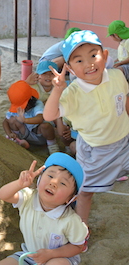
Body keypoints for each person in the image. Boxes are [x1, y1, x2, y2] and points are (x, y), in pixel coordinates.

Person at [43, 30, 129, 244]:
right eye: (79, 60)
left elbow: (125, 102)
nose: (89, 63)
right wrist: (57, 90)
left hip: (124, 142)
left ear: (105, 56)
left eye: (94, 55)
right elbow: (49, 115)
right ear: (70, 68)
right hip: (94, 151)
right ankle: (81, 229)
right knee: (85, 192)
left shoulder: (117, 76)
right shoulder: (72, 93)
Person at [0, 152, 88, 264]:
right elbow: (3, 195)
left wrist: (51, 254)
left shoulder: (70, 220)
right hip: (29, 255)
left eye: (63, 183)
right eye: (50, 176)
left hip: (59, 258)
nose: (53, 182)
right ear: (39, 179)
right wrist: (19, 184)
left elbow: (78, 246)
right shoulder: (27, 198)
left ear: (71, 199)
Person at [26, 61, 74, 154]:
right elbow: (17, 94)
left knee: (63, 126)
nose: (48, 77)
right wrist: (26, 82)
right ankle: (53, 146)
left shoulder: (61, 86)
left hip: (57, 114)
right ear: (38, 75)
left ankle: (68, 146)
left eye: (51, 74)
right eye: (44, 74)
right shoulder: (34, 86)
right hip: (40, 116)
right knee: (45, 126)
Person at [3, 80, 60, 154]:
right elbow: (5, 122)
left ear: (30, 99)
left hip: (37, 135)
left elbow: (40, 118)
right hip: (24, 133)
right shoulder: (16, 109)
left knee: (46, 126)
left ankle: (52, 146)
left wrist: (24, 120)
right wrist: (9, 133)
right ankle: (17, 140)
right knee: (12, 120)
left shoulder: (37, 104)